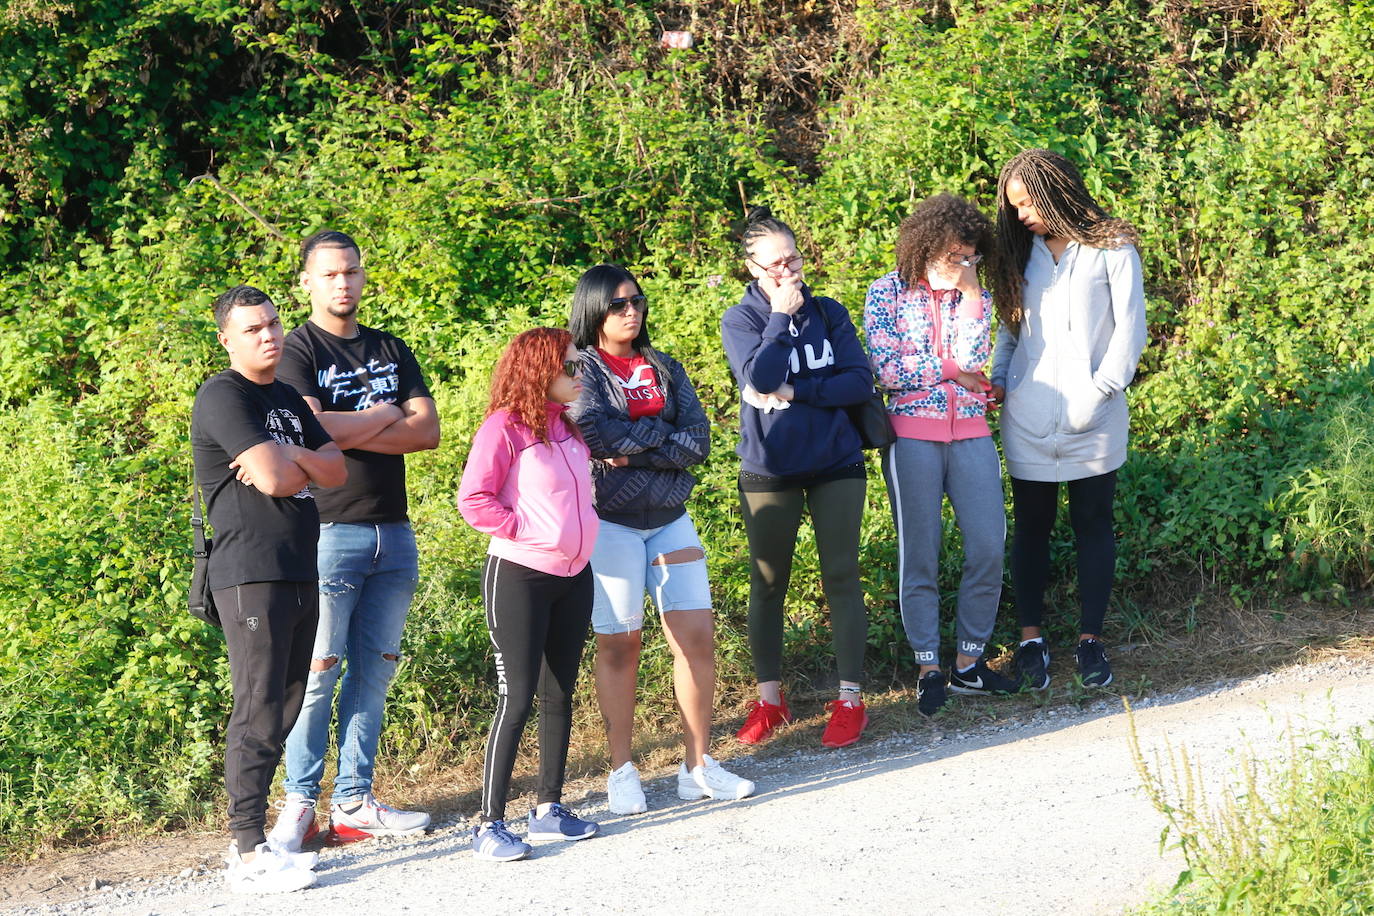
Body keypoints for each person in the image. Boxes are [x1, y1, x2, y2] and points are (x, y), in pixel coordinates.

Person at [269, 230, 440, 850]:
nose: (343, 283)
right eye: (330, 274)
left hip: (393, 531)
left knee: (375, 672)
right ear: (307, 283)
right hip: (328, 532)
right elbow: (311, 431)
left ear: (364, 276)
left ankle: (354, 802)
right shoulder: (295, 351)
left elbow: (429, 434)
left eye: (352, 272)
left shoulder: (391, 346)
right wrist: (387, 413)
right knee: (317, 671)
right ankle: (298, 804)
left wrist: (346, 428)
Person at [567, 264, 756, 815]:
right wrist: (662, 445)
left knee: (697, 637)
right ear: (594, 310)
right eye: (618, 304)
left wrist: (638, 452)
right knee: (620, 642)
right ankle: (621, 770)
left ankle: (698, 767)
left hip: (672, 516)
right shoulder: (580, 367)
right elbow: (595, 433)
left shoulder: (664, 366)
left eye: (637, 300)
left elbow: (698, 442)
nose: (631, 311)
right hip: (612, 524)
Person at [191, 285, 345, 893]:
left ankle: (258, 842)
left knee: (283, 700)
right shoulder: (222, 395)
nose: (269, 335)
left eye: (274, 324)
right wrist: (293, 457)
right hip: (249, 571)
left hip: (298, 566)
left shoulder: (284, 397)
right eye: (253, 329)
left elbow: (335, 470)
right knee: (257, 703)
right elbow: (278, 480)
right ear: (227, 338)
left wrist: (286, 453)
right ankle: (247, 849)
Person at [989, 149, 1148, 689]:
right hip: (1027, 416)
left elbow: (1130, 333)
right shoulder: (1019, 253)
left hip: (1095, 415)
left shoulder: (1113, 247)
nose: (1021, 214)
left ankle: (1090, 640)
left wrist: (1096, 395)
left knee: (1092, 524)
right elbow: (1011, 334)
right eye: (1014, 206)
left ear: (1057, 190)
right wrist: (1001, 382)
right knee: (1031, 527)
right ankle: (1030, 640)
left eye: (1028, 201)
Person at [721, 206, 876, 749]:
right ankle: (770, 700)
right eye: (775, 265)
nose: (788, 272)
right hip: (770, 466)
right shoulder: (741, 321)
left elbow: (858, 382)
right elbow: (759, 375)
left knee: (841, 574)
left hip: (836, 459)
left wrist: (796, 392)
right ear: (753, 270)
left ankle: (851, 698)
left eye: (793, 259)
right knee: (767, 584)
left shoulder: (830, 313)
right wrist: (779, 319)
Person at [864, 194, 1019, 716]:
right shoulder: (886, 291)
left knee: (988, 546)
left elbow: (977, 357)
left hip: (972, 432)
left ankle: (969, 664)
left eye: (972, 257)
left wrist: (972, 292)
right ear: (928, 247)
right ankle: (928, 664)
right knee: (921, 554)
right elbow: (886, 371)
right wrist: (950, 370)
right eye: (957, 257)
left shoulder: (975, 294)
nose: (965, 266)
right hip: (911, 437)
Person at [458, 327, 601, 862]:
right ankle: (487, 824)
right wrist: (528, 532)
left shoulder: (568, 427)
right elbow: (474, 500)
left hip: (574, 576)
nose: (578, 374)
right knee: (516, 697)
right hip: (519, 576)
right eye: (569, 366)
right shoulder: (504, 428)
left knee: (559, 693)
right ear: (541, 370)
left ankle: (548, 810)